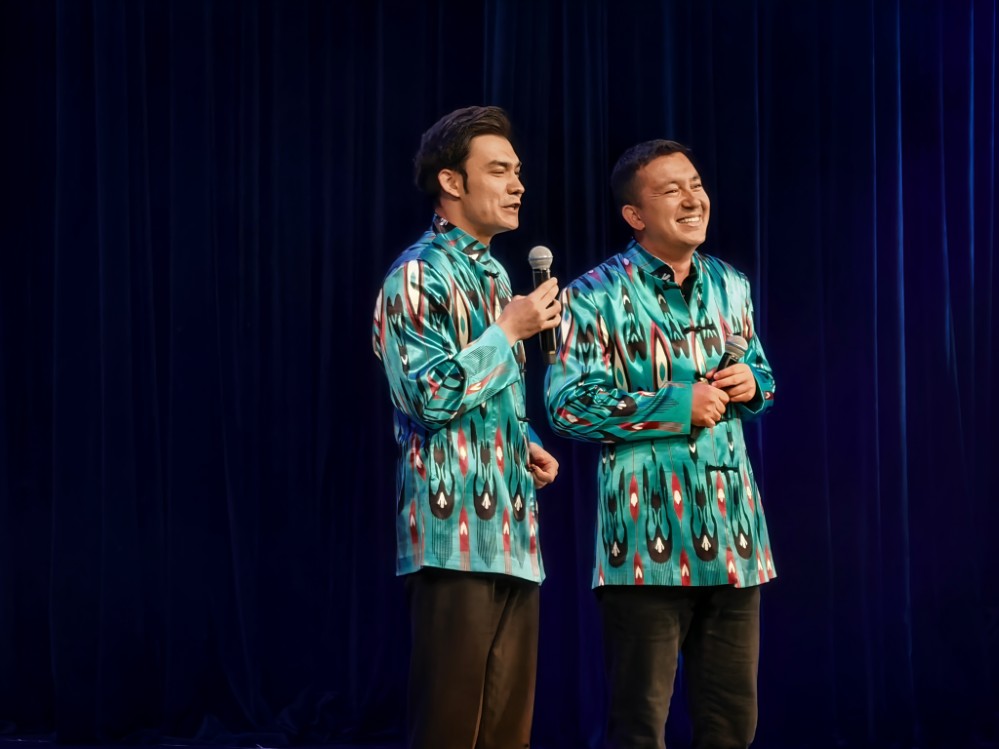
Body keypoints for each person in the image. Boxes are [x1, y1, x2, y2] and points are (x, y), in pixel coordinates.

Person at [545, 139, 777, 749]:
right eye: (672, 190)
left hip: (735, 539)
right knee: (639, 727)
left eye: (696, 185)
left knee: (732, 725)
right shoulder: (593, 294)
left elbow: (763, 376)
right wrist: (677, 406)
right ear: (635, 214)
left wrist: (753, 383)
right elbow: (567, 405)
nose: (693, 199)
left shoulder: (731, 284)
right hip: (644, 547)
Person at [371, 105, 562, 749]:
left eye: (518, 172)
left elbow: (486, 393)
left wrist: (523, 441)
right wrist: (507, 332)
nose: (518, 185)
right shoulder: (417, 274)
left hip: (513, 530)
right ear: (452, 182)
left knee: (509, 731)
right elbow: (426, 398)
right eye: (499, 171)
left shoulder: (496, 276)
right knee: (451, 728)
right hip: (450, 532)